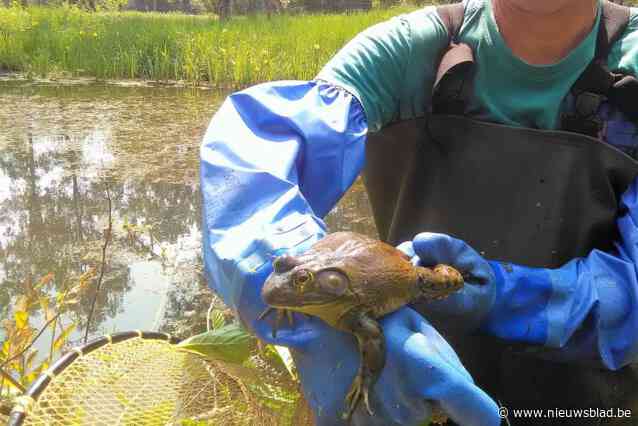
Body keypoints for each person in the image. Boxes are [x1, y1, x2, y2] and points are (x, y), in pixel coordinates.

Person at [200, 0, 638, 424]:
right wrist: (291, 278)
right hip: (406, 385)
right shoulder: (408, 51)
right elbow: (250, 154)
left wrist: (501, 297)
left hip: (589, 398)